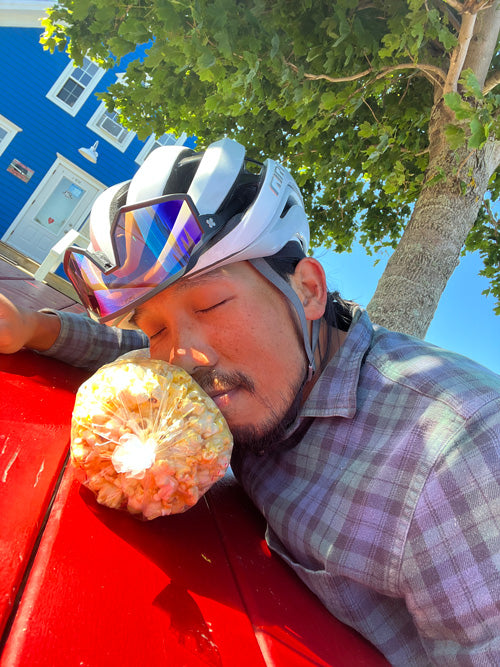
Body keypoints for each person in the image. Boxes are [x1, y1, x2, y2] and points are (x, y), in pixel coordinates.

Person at [1, 137, 500, 665]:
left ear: (307, 290)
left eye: (212, 302)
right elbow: (142, 356)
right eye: (158, 329)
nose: (185, 358)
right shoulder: (264, 369)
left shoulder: (458, 458)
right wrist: (34, 328)